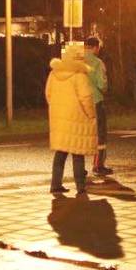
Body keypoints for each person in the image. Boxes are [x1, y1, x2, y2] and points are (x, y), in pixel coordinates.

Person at [45, 42, 98, 195]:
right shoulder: (79, 75)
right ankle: (81, 187)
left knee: (60, 153)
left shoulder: (54, 73)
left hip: (59, 118)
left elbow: (48, 94)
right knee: (78, 153)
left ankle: (55, 184)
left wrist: (57, 108)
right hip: (77, 118)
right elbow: (86, 98)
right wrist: (91, 114)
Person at [83, 36, 113, 177]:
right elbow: (102, 85)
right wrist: (105, 88)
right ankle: (98, 165)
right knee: (100, 135)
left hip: (80, 103)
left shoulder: (77, 61)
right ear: (95, 47)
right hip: (95, 102)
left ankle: (79, 168)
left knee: (81, 134)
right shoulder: (97, 63)